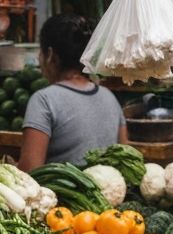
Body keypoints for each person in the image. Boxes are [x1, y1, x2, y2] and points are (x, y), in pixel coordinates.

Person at [18, 14, 127, 172]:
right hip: (107, 194)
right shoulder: (108, 97)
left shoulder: (44, 100)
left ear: (49, 55)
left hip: (61, 196)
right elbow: (125, 156)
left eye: (40, 53)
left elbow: (29, 172)